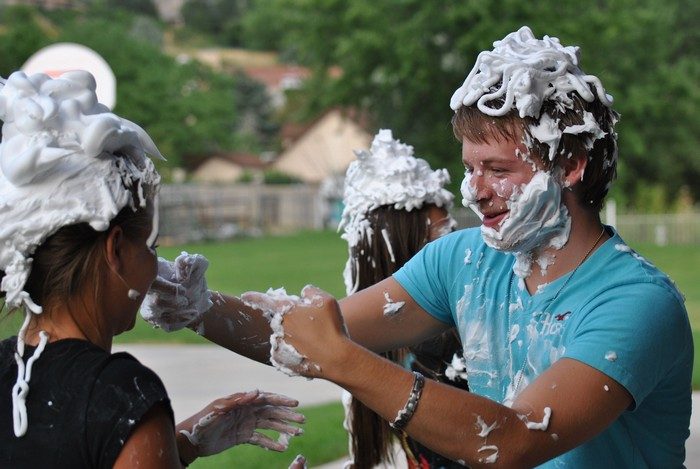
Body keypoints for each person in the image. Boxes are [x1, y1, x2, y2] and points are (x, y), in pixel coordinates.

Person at [143, 26, 692, 467]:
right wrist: (195, 305)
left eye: (497, 170)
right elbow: (312, 330)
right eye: (470, 168)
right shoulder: (467, 259)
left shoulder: (636, 305)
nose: (474, 192)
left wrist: (345, 362)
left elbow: (513, 441)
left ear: (570, 166)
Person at [0, 70, 305, 468]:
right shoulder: (120, 395)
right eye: (151, 247)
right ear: (115, 250)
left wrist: (182, 443)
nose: (156, 269)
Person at [338, 128, 468, 469]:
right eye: (437, 243)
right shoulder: (387, 339)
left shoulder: (467, 338)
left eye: (451, 235)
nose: (454, 253)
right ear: (393, 252)